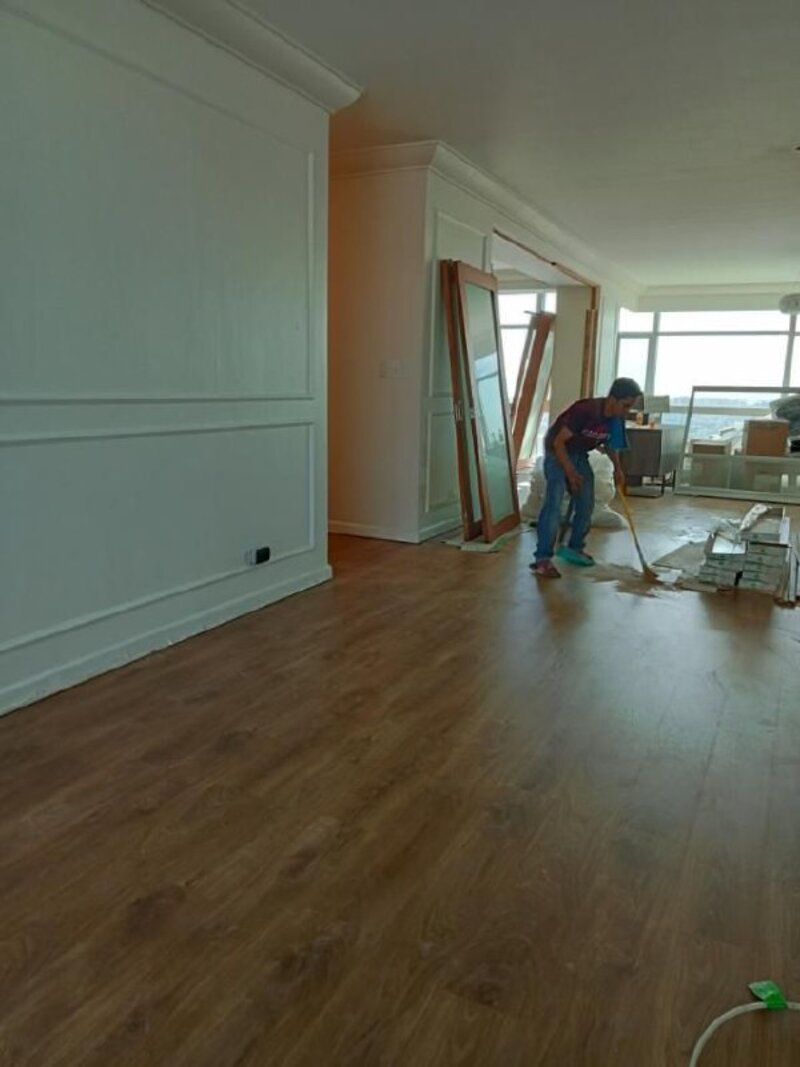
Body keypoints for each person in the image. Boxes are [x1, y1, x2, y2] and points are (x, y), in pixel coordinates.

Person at [531, 377, 642, 578]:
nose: (627, 411)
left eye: (630, 407)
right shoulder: (585, 410)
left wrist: (618, 469)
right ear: (613, 399)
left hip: (579, 454)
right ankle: (542, 559)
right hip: (557, 452)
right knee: (554, 503)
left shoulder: (616, 419)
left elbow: (610, 444)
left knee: (586, 502)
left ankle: (574, 548)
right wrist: (570, 473)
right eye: (625, 405)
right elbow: (558, 443)